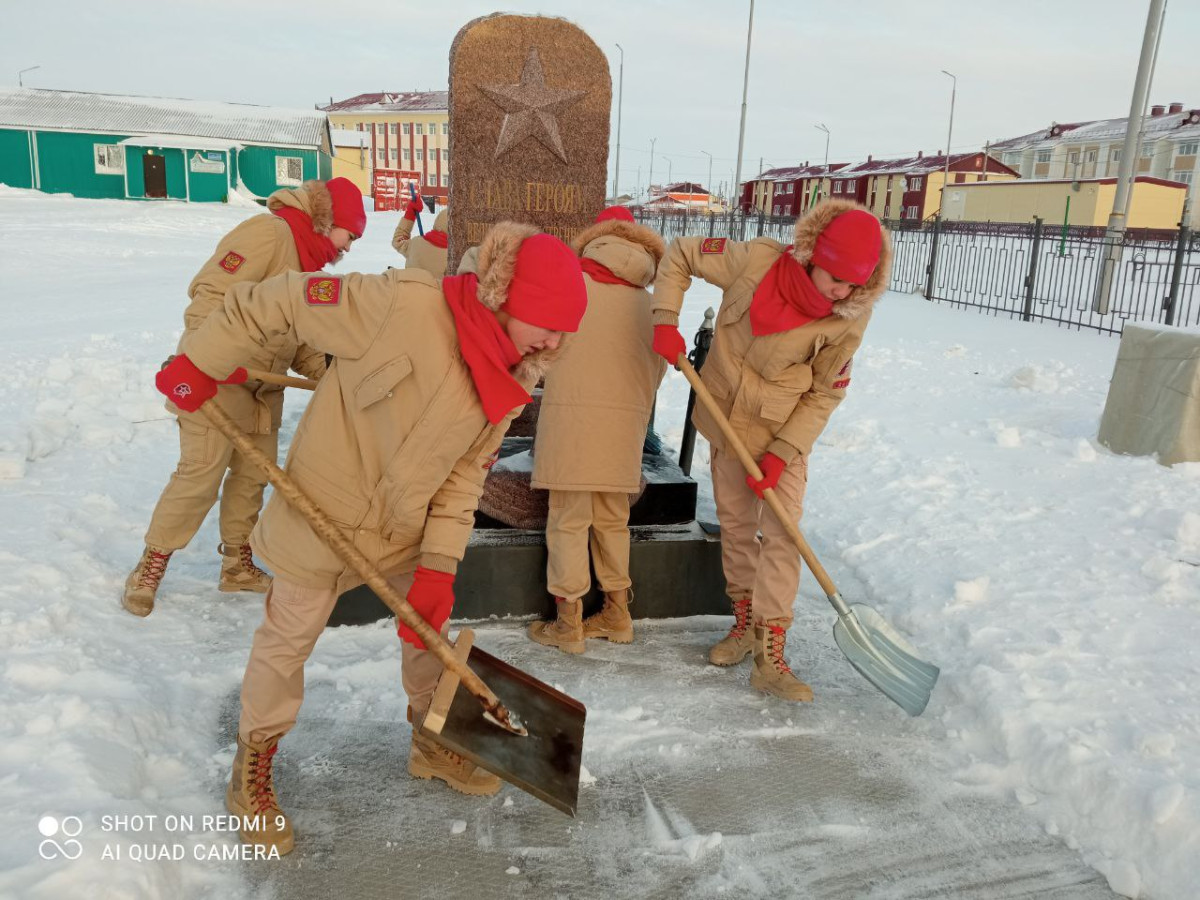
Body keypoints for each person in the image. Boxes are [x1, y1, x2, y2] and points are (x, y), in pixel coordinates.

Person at [153, 223, 586, 855]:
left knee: (429, 639)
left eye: (562, 330)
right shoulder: (400, 306)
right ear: (501, 294)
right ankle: (253, 770)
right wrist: (202, 362)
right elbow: (273, 301)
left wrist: (439, 565)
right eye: (543, 321)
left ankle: (431, 744)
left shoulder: (513, 378)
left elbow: (466, 476)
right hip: (318, 514)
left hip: (404, 530)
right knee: (285, 643)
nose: (552, 340)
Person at [650, 199, 891, 703]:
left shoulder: (850, 317)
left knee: (781, 534)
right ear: (813, 253)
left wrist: (782, 452)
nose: (841, 292)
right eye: (836, 278)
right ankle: (743, 627)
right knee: (737, 528)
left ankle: (770, 653)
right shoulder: (753, 260)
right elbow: (679, 255)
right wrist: (665, 319)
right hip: (725, 424)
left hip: (783, 433)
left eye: (853, 285)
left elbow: (825, 391)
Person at [122, 178, 367, 617]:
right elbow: (211, 294)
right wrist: (200, 360)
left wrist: (332, 375)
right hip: (215, 382)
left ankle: (238, 564)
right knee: (199, 477)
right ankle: (151, 564)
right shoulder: (268, 233)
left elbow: (303, 338)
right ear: (329, 221)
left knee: (251, 480)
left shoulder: (309, 268)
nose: (349, 246)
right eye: (350, 234)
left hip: (261, 391)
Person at [527, 207, 666, 653]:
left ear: (596, 242)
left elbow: (542, 356)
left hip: (570, 427)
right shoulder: (652, 305)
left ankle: (568, 624)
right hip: (623, 431)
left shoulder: (572, 289)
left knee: (568, 522)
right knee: (613, 521)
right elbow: (657, 370)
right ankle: (617, 614)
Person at [392, 191, 449, 276]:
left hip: (408, 289)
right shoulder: (456, 257)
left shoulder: (415, 245)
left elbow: (398, 240)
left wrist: (410, 214)